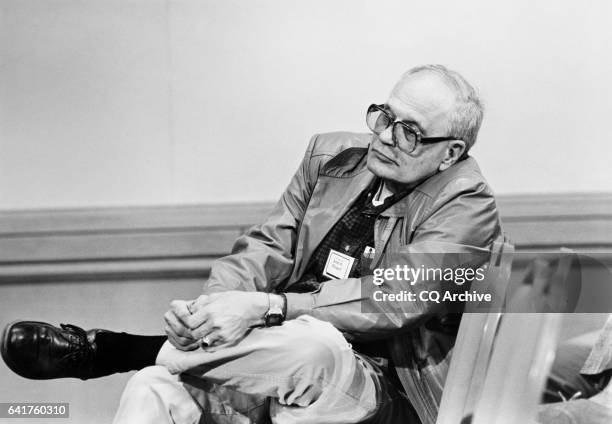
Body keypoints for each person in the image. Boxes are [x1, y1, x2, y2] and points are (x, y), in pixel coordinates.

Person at [1, 64, 502, 424]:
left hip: (379, 387)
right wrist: (211, 310)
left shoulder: (466, 203)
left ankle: (115, 350)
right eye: (384, 116)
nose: (386, 136)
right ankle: (149, 360)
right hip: (269, 355)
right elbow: (266, 247)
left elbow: (396, 300)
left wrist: (266, 307)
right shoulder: (332, 157)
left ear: (449, 153)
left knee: (311, 345)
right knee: (151, 387)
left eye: (410, 132)